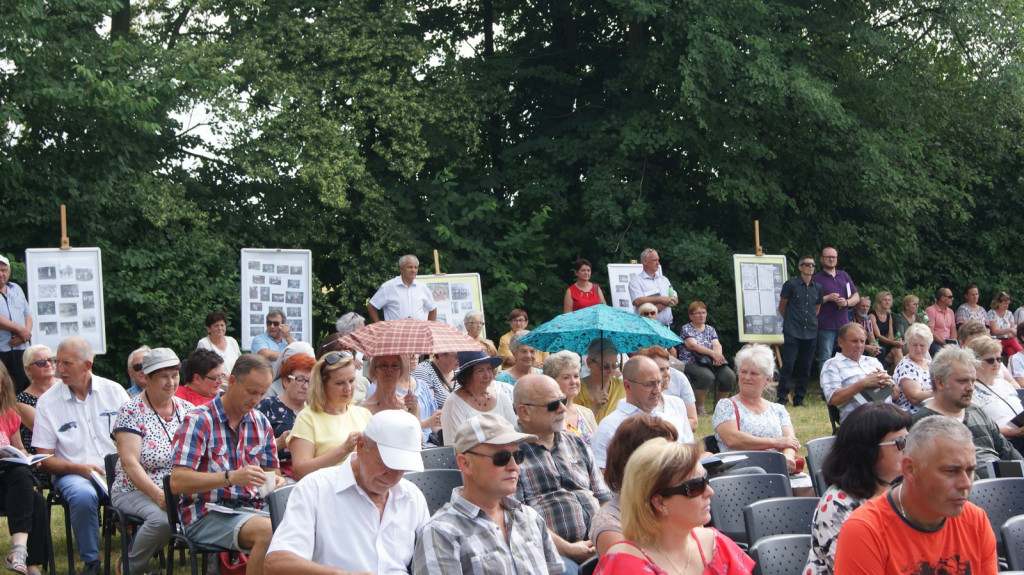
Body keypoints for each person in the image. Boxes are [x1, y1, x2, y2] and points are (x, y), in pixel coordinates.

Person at [264, 410, 429, 575]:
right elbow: (276, 563)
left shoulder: (411, 496)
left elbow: (431, 560)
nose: (393, 477)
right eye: (385, 464)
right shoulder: (316, 488)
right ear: (361, 446)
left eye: (402, 468)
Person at [832, 416, 997, 575]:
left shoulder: (975, 521)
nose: (966, 483)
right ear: (909, 469)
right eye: (951, 471)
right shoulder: (865, 531)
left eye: (970, 470)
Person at [170, 354, 285, 575]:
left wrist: (277, 481)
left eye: (262, 394)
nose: (256, 400)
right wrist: (231, 477)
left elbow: (273, 473)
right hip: (204, 514)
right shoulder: (198, 420)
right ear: (231, 382)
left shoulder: (260, 422)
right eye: (252, 392)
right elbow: (177, 482)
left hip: (251, 509)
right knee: (269, 532)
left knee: (302, 528)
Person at [412, 414, 562, 575]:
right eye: (501, 458)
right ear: (465, 463)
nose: (515, 467)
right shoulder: (440, 534)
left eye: (518, 456)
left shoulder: (530, 518)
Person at [33, 337, 130, 575]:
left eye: (67, 363)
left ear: (87, 365)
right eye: (58, 362)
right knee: (83, 495)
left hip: (119, 469)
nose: (59, 369)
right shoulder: (47, 402)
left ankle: (136, 558)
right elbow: (43, 459)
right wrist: (79, 469)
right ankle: (92, 562)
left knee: (145, 491)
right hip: (72, 473)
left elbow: (136, 436)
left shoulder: (114, 391)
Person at [594, 438, 754, 575]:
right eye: (696, 486)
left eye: (706, 480)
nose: (710, 492)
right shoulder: (625, 564)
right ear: (659, 502)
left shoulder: (717, 545)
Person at [513, 374, 612, 574]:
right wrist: (569, 549)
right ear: (524, 412)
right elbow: (517, 519)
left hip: (599, 540)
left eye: (563, 400)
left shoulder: (576, 443)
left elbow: (604, 499)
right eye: (552, 405)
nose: (563, 408)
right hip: (550, 551)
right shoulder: (509, 454)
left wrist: (606, 535)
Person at [112, 348, 194, 575]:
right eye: (163, 377)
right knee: (163, 520)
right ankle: (129, 566)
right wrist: (158, 494)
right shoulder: (130, 410)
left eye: (175, 375)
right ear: (147, 378)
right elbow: (129, 464)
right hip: (134, 488)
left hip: (179, 486)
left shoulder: (188, 409)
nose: (171, 382)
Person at [803, 403, 911, 575]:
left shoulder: (904, 492)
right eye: (900, 442)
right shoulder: (837, 504)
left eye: (909, 440)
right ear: (868, 450)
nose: (909, 449)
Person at [712, 344, 814, 496]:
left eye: (754, 373)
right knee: (768, 480)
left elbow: (790, 440)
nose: (747, 377)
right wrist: (776, 442)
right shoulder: (726, 405)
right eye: (743, 371)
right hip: (743, 472)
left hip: (778, 469)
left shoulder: (778, 409)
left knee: (809, 486)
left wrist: (788, 457)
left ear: (767, 379)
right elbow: (732, 439)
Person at [912, 346, 1021, 477]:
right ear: (940, 383)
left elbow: (1008, 452)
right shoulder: (924, 423)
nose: (970, 388)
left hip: (1003, 486)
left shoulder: (977, 412)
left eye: (973, 381)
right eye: (963, 381)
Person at [589, 414, 679, 556]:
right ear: (637, 463)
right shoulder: (610, 523)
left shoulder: (676, 500)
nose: (677, 463)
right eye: (667, 457)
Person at [591, 356, 694, 470]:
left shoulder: (669, 420)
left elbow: (691, 459)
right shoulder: (610, 426)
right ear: (628, 386)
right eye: (649, 384)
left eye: (659, 383)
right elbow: (600, 476)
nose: (657, 390)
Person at [289, 353, 372, 480]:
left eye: (352, 380)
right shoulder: (307, 418)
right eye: (340, 383)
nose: (348, 388)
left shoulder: (363, 414)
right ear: (322, 385)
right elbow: (301, 471)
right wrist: (344, 449)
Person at [0, 362, 48, 575]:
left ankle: (28, 563)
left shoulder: (9, 414)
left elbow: (18, 447)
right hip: (9, 487)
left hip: (8, 486)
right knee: (27, 489)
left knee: (35, 497)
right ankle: (23, 556)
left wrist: (29, 457)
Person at [820, 323, 894, 424]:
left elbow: (895, 394)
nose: (859, 345)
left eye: (862, 341)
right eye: (854, 341)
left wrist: (888, 383)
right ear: (841, 342)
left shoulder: (873, 361)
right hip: (859, 420)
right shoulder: (832, 365)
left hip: (888, 413)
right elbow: (834, 399)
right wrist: (863, 383)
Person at [256, 354, 313, 480]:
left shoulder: (314, 410)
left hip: (310, 474)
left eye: (310, 380)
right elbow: (250, 449)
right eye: (299, 379)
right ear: (285, 381)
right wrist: (278, 443)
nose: (305, 386)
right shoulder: (267, 406)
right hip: (277, 474)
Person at [440, 351, 515, 446]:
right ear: (467, 375)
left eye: (489, 369)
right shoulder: (454, 403)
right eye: (480, 371)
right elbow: (453, 446)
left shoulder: (502, 397)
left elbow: (514, 432)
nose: (487, 375)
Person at [777, 254, 822, 406]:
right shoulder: (791, 284)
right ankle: (782, 397)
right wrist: (791, 320)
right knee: (788, 364)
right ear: (800, 267)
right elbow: (782, 305)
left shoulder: (818, 287)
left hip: (810, 330)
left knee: (806, 366)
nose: (810, 267)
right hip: (792, 330)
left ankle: (799, 398)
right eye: (807, 264)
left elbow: (817, 308)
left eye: (813, 265)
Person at [364, 355, 440, 444]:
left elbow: (417, 439)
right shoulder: (365, 408)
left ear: (400, 371)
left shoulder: (408, 404)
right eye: (383, 366)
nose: (389, 370)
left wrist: (414, 411)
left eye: (395, 366)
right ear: (374, 372)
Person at [967, 337, 1024, 453]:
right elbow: (980, 429)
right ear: (976, 362)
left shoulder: (1005, 384)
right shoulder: (971, 391)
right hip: (1003, 443)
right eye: (990, 360)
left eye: (999, 359)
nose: (996, 364)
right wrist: (1014, 433)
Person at [678, 301, 736, 414]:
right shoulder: (686, 328)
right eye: (698, 313)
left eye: (704, 312)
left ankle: (719, 405)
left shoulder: (710, 329)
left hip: (710, 360)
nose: (702, 315)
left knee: (729, 376)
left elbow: (717, 344)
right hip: (691, 361)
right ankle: (699, 406)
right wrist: (713, 354)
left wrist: (718, 357)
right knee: (706, 376)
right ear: (691, 316)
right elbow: (692, 345)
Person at [812, 247, 860, 371]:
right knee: (825, 358)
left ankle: (847, 386)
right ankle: (826, 388)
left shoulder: (844, 276)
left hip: (844, 325)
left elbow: (856, 297)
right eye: (828, 257)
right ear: (822, 259)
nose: (831, 259)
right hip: (825, 325)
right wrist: (827, 298)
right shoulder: (816, 278)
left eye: (834, 257)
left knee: (848, 356)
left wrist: (846, 302)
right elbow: (810, 301)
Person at [15, 345, 58, 479]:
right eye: (41, 362)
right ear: (28, 369)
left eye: (51, 360)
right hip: (44, 458)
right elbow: (45, 429)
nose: (48, 364)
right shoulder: (22, 400)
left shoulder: (68, 387)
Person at [634, 346, 697, 434]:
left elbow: (693, 424)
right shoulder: (634, 401)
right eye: (661, 370)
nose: (667, 374)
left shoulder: (677, 402)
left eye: (668, 368)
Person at [367, 254, 437, 323]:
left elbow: (433, 309)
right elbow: (371, 306)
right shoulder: (388, 287)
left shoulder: (422, 287)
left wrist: (429, 326)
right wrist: (379, 327)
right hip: (395, 333)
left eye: (416, 267)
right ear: (401, 269)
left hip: (417, 332)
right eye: (410, 267)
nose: (413, 270)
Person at [543, 351, 596, 442]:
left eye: (576, 376)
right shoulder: (546, 414)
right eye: (566, 377)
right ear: (552, 381)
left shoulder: (587, 413)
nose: (573, 382)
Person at [0, 255, 32, 393]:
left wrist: (25, 335)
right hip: (2, 349)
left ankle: (20, 414)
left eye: (4, 270)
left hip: (21, 348)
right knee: (4, 389)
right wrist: (21, 330)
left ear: (9, 272)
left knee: (22, 388)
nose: (1, 274)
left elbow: (28, 314)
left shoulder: (17, 289)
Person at [575, 338, 626, 422]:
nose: (611, 371)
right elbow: (575, 428)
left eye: (614, 366)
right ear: (589, 363)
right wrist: (594, 408)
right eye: (605, 366)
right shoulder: (576, 389)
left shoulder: (622, 386)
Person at [627, 248, 678, 327]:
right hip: (646, 327)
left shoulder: (664, 280)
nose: (658, 263)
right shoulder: (636, 281)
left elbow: (675, 299)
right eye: (654, 260)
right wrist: (659, 299)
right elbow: (636, 301)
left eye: (658, 260)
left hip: (666, 327)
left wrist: (663, 304)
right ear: (645, 261)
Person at [892, 323, 934, 414]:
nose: (918, 349)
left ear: (928, 346)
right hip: (915, 414)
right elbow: (914, 397)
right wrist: (942, 394)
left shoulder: (930, 364)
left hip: (934, 409)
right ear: (907, 345)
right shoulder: (906, 366)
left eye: (922, 345)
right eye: (914, 345)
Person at [197, 311, 242, 375]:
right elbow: (204, 368)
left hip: (234, 381)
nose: (220, 328)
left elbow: (240, 363)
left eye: (222, 325)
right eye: (216, 326)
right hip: (215, 382)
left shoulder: (232, 341)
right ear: (208, 329)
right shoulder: (204, 343)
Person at [870, 291, 904, 369]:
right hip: (876, 343)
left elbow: (891, 335)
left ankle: (901, 373)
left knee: (897, 349)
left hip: (886, 342)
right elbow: (878, 335)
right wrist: (894, 342)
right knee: (896, 349)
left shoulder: (889, 316)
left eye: (889, 300)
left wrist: (896, 342)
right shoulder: (872, 315)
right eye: (885, 300)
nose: (887, 302)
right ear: (879, 301)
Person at [988, 291, 1024, 357]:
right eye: (1005, 303)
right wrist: (1009, 330)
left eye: (1008, 304)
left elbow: (1013, 330)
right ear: (998, 302)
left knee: (1010, 350)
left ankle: (1012, 366)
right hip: (996, 341)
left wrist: (1011, 332)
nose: (1007, 306)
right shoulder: (992, 313)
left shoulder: (1009, 314)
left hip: (1008, 341)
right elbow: (994, 331)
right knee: (1011, 340)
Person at [924, 288, 956, 356]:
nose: (952, 299)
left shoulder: (951, 312)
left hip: (949, 342)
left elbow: (953, 329)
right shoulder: (930, 311)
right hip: (935, 342)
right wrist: (944, 343)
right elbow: (930, 331)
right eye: (950, 297)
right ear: (943, 298)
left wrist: (952, 342)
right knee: (944, 355)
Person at [852, 297, 885, 362]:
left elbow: (871, 337)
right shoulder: (848, 316)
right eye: (863, 306)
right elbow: (850, 340)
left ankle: (879, 371)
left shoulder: (867, 318)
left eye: (867, 306)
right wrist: (866, 347)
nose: (865, 309)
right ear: (856, 306)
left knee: (881, 350)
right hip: (851, 345)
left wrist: (875, 347)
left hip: (863, 345)